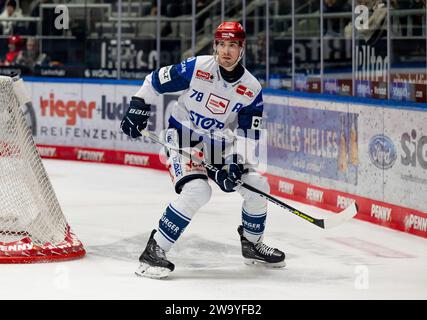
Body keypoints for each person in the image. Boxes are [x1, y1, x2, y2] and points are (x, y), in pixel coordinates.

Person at [120, 22, 286, 279]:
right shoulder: (197, 67)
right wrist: (138, 105)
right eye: (221, 45)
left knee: (258, 185)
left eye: (232, 45)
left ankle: (252, 244)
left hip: (218, 145)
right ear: (215, 46)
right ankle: (154, 251)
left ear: (241, 49)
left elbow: (247, 133)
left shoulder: (251, 88)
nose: (226, 51)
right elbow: (154, 81)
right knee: (198, 190)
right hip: (183, 139)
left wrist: (234, 164)